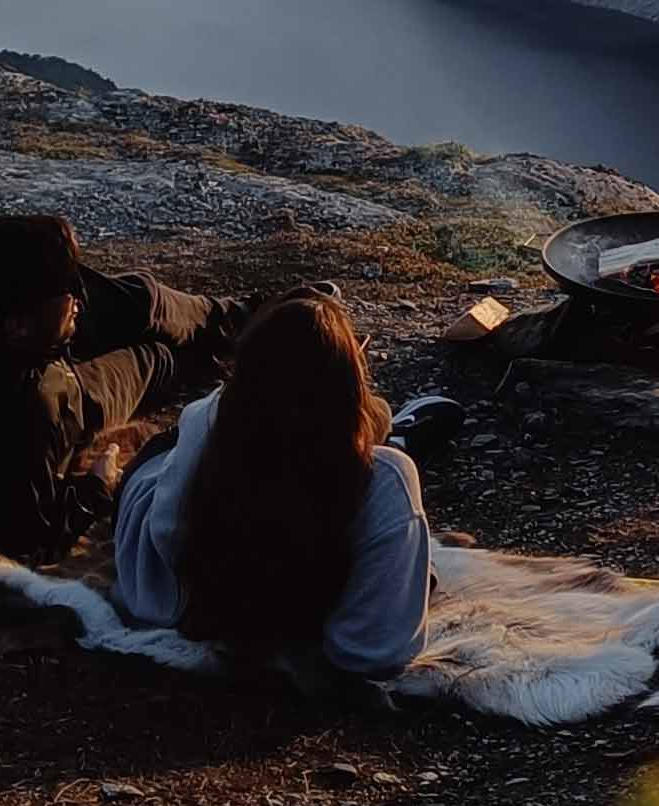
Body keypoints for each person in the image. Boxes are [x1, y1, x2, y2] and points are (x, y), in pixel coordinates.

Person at [0, 211, 238, 565]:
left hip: (16, 331)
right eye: (69, 288)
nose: (78, 298)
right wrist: (97, 485)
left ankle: (235, 316)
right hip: (60, 383)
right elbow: (29, 536)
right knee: (153, 360)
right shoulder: (19, 413)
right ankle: (221, 338)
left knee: (141, 300)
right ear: (17, 324)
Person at [114, 287, 432, 674]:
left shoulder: (210, 421)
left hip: (179, 480)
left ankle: (383, 424)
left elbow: (165, 565)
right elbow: (375, 650)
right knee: (377, 438)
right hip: (152, 478)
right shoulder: (387, 479)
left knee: (362, 431)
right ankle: (390, 429)